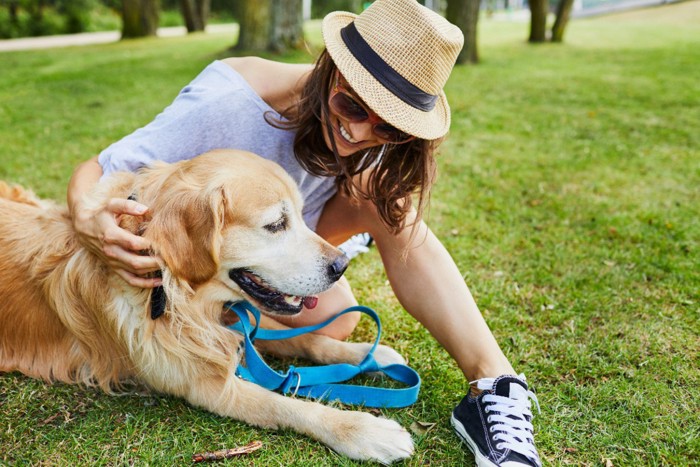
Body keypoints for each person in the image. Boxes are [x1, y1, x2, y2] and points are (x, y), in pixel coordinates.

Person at [67, 1, 541, 465]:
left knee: (386, 216)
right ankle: (219, 313)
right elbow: (100, 167)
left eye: (390, 126)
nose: (360, 133)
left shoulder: (371, 135)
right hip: (207, 233)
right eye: (350, 106)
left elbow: (362, 160)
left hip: (288, 230)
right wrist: (88, 218)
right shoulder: (229, 102)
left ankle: (494, 385)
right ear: (331, 67)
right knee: (331, 322)